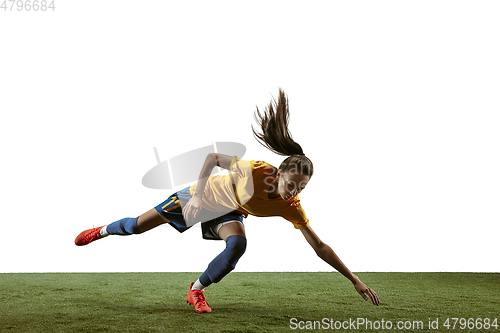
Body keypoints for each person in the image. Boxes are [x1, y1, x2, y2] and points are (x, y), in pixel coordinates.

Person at [74, 88, 380, 313]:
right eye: (292, 184)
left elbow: (319, 246)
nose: (294, 193)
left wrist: (354, 280)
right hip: (201, 196)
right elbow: (212, 158)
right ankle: (101, 231)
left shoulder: (291, 207)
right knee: (137, 227)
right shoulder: (257, 171)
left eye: (301, 188)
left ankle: (196, 291)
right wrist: (195, 197)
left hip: (229, 210)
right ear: (279, 174)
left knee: (238, 245)